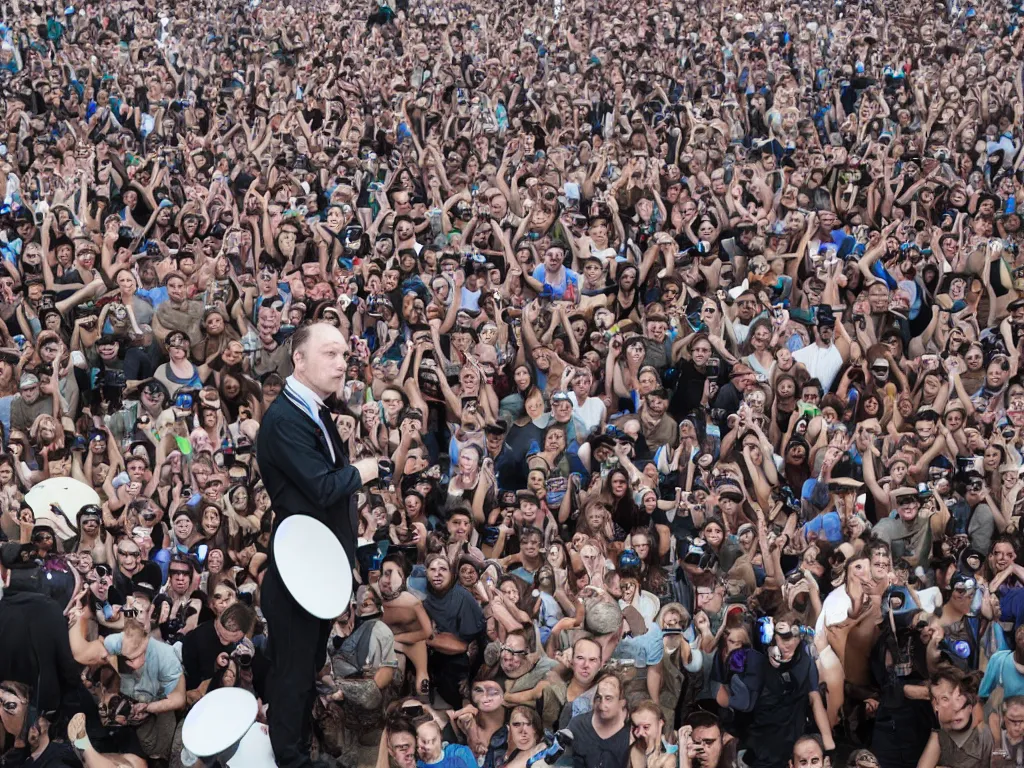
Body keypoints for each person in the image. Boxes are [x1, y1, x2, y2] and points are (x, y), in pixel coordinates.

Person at [256, 322, 381, 768]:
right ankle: (291, 761)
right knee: (291, 677)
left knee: (306, 671)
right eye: (330, 354)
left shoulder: (314, 407)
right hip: (296, 573)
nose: (341, 363)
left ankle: (299, 750)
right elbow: (323, 487)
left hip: (318, 567)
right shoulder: (285, 418)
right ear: (299, 360)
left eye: (345, 354)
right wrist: (367, 470)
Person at [565, 669, 631, 768]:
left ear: (622, 702)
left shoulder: (631, 733)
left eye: (608, 698)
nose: (602, 705)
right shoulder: (578, 725)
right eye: (598, 698)